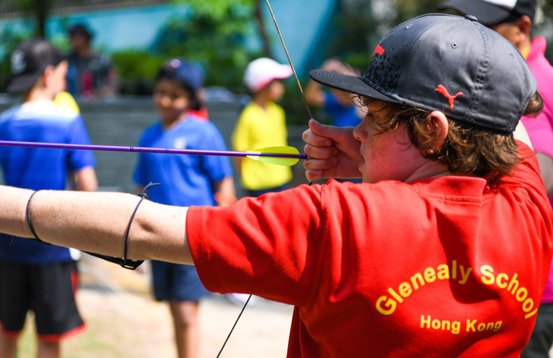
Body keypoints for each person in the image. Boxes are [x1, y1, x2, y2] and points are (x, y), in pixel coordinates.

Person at [0, 14, 550, 357]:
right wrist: (378, 155)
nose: (356, 128)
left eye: (375, 116)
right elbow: (511, 129)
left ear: (432, 130)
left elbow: (143, 223)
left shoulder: (340, 220)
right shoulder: (528, 203)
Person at [437, 2, 553, 356]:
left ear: (521, 27)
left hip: (526, 286)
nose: (466, 33)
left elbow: (540, 174)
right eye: (460, 20)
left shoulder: (527, 87)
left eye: (479, 23)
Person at [0, 39, 97, 358]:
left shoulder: (4, 123)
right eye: (63, 74)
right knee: (49, 338)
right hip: (52, 247)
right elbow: (88, 186)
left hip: (7, 245)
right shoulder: (68, 121)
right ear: (48, 74)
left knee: (6, 333)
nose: (64, 81)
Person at [133, 58, 235, 358]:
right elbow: (139, 188)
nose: (165, 100)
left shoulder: (204, 132)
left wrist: (223, 228)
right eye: (160, 91)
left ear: (190, 99)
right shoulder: (148, 136)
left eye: (174, 95)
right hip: (155, 234)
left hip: (193, 235)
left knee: (186, 311)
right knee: (174, 310)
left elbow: (223, 182)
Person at [231, 57, 293, 198]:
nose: (281, 87)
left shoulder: (278, 111)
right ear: (263, 85)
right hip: (257, 185)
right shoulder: (248, 115)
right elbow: (240, 152)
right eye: (277, 83)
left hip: (281, 179)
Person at [305, 58, 363, 128]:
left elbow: (362, 113)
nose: (334, 89)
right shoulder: (336, 102)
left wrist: (354, 85)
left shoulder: (364, 103)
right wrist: (322, 71)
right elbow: (311, 96)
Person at [66, 23, 115, 99]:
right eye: (71, 37)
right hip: (73, 102)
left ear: (87, 38)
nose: (73, 41)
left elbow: (113, 80)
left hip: (97, 103)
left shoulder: (101, 60)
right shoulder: (68, 60)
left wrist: (106, 90)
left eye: (77, 38)